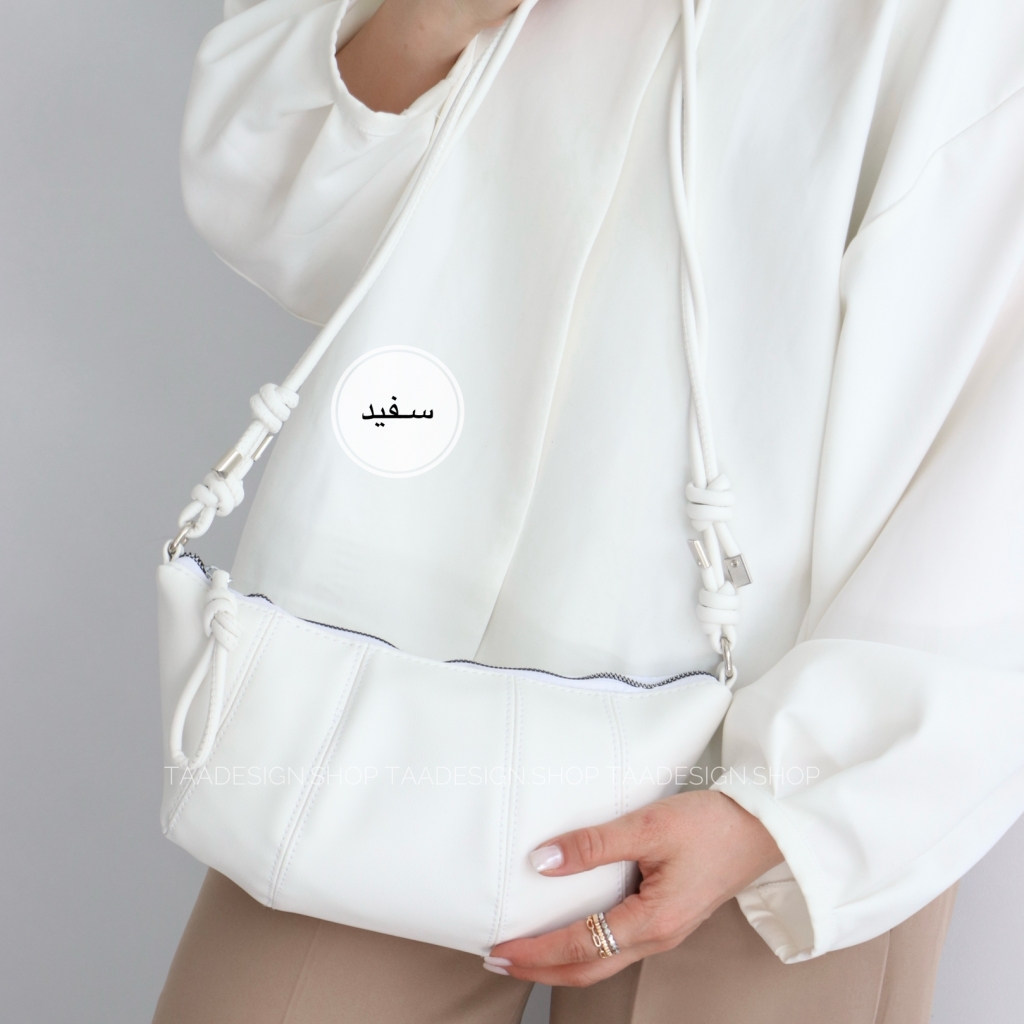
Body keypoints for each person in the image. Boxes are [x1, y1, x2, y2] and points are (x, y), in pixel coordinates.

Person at [153, 0, 1024, 1021]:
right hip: (391, 688)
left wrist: (801, 805)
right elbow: (277, 206)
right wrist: (434, 19)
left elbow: (994, 421)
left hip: (768, 768)